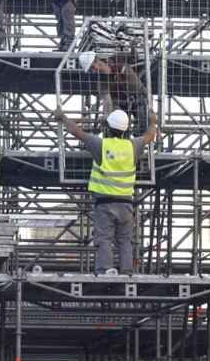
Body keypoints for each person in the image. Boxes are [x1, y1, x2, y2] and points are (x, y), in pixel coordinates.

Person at [57, 106, 158, 274]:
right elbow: (150, 136)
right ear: (125, 129)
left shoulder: (101, 144)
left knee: (104, 238)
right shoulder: (132, 146)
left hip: (105, 204)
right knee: (125, 240)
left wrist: (62, 117)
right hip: (126, 204)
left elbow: (76, 132)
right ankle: (127, 272)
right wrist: (153, 122)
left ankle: (105, 269)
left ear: (108, 128)